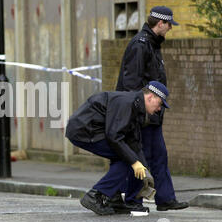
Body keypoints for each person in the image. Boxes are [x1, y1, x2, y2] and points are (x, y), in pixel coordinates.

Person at [115, 6, 188, 211]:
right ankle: (132, 200)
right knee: (140, 156)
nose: (170, 29)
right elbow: (131, 84)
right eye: (169, 25)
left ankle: (165, 199)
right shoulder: (141, 45)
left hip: (153, 114)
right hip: (142, 114)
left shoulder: (152, 45)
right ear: (160, 23)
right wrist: (140, 112)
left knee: (159, 156)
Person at [66, 82, 168, 215]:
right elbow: (114, 136)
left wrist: (144, 168)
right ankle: (95, 195)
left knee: (127, 156)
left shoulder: (136, 107)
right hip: (83, 130)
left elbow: (133, 142)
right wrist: (134, 161)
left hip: (94, 130)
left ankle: (114, 198)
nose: (159, 109)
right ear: (150, 97)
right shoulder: (127, 103)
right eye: (159, 104)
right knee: (125, 159)